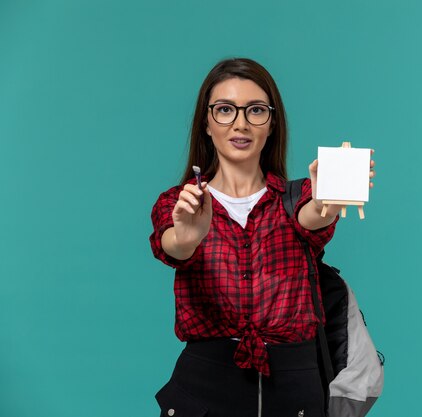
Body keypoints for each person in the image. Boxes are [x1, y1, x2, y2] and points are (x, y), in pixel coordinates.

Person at [149, 57, 375, 417]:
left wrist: (327, 204)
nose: (240, 123)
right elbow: (173, 245)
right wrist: (188, 236)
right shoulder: (180, 202)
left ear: (271, 123)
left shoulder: (296, 197)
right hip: (205, 388)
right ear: (206, 123)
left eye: (255, 110)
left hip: (293, 391)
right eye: (225, 110)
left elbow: (312, 217)